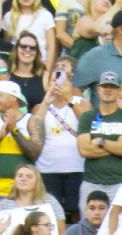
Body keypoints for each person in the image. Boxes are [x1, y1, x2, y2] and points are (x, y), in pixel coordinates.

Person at [76, 70, 122, 214]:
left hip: (120, 182)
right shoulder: (88, 117)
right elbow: (84, 150)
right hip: (92, 182)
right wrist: (118, 145)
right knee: (89, 225)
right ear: (98, 90)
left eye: (112, 87)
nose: (108, 90)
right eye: (105, 86)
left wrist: (102, 142)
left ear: (118, 91)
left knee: (120, 226)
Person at [35, 54, 89, 218]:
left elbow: (88, 122)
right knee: (50, 212)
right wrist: (46, 101)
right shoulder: (41, 105)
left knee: (76, 211)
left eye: (62, 80)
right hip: (48, 168)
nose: (57, 84)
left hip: (76, 167)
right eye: (54, 80)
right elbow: (35, 126)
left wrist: (69, 99)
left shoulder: (81, 102)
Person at [0, 80, 44, 207]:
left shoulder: (32, 122)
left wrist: (14, 131)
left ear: (13, 97)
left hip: (22, 192)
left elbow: (34, 154)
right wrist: (0, 136)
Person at [0, 163, 68, 235]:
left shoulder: (50, 201)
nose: (23, 179)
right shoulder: (5, 204)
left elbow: (61, 230)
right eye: (20, 176)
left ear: (37, 181)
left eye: (29, 177)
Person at [3, 0, 56, 65]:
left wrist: (47, 71)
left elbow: (51, 46)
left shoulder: (45, 15)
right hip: (16, 66)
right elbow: (6, 44)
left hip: (40, 65)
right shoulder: (8, 17)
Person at [8, 30, 49, 111]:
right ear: (16, 49)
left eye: (32, 48)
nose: (27, 50)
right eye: (23, 46)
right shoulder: (7, 75)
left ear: (37, 52)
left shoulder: (44, 76)